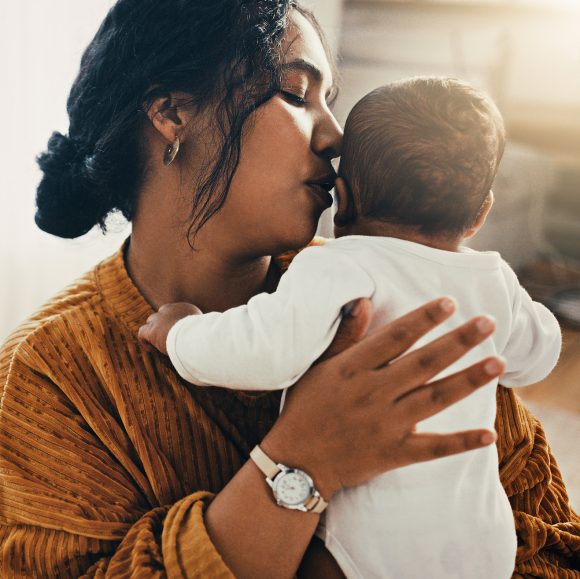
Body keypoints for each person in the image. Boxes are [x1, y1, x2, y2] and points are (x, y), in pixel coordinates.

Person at [0, 1, 577, 577]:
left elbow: (551, 543)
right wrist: (300, 460)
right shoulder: (43, 381)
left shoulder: (396, 296)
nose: (335, 134)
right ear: (174, 112)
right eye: (298, 94)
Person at [137, 77, 563, 578]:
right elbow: (540, 353)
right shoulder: (493, 278)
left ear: (342, 196)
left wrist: (180, 332)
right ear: (480, 215)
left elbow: (262, 350)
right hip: (481, 542)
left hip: (370, 542)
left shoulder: (336, 266)